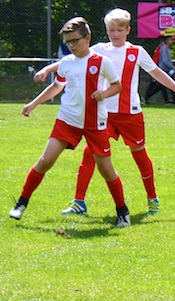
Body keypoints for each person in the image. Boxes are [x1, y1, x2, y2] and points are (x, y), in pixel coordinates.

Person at [34, 8, 175, 216]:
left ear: (128, 30)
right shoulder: (99, 49)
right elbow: (70, 60)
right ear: (107, 31)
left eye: (120, 30)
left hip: (130, 114)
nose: (115, 34)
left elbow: (157, 73)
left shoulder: (137, 51)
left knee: (139, 155)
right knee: (90, 155)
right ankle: (79, 201)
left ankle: (152, 199)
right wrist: (46, 70)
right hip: (103, 114)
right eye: (111, 30)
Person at [10, 17, 132, 228]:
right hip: (67, 120)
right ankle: (21, 203)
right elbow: (57, 86)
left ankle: (122, 211)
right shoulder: (66, 63)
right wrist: (34, 103)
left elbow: (117, 86)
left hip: (95, 124)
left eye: (75, 40)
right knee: (45, 161)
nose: (72, 46)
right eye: (68, 42)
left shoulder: (102, 62)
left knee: (106, 170)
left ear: (88, 39)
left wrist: (103, 94)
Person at [144, 36, 175, 105]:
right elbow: (165, 60)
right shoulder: (164, 48)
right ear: (166, 41)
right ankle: (147, 97)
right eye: (171, 40)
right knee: (160, 85)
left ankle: (173, 101)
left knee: (162, 85)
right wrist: (172, 67)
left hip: (165, 69)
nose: (172, 41)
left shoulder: (166, 48)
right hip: (163, 69)